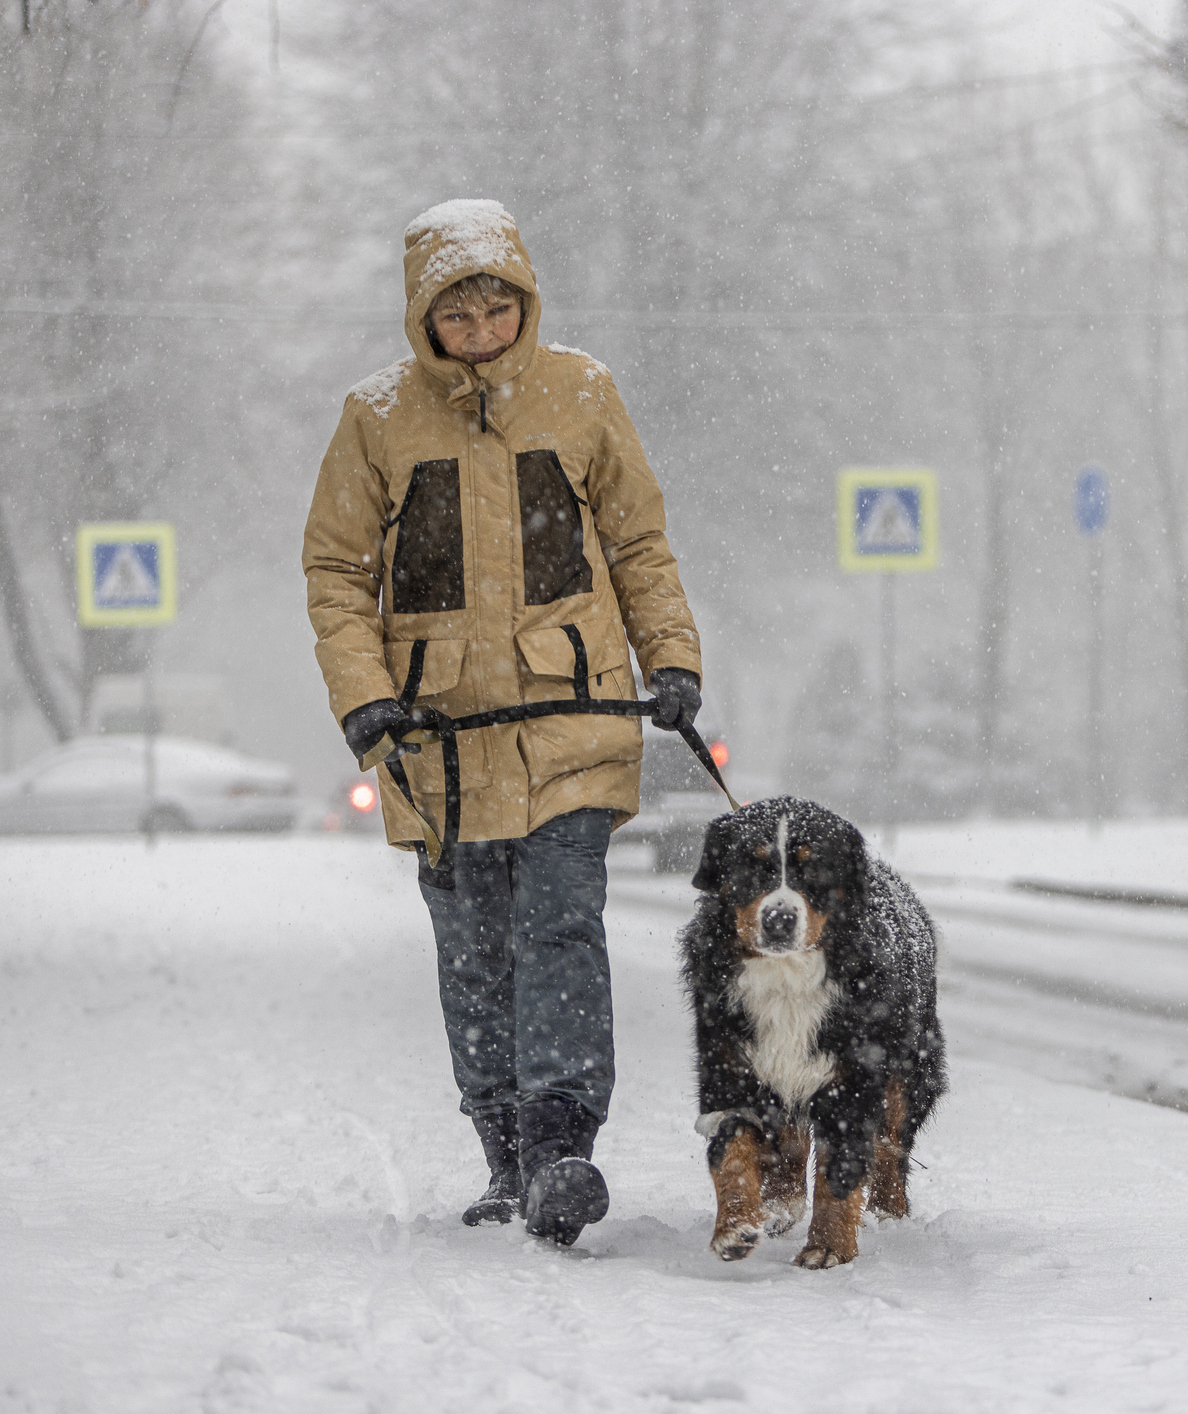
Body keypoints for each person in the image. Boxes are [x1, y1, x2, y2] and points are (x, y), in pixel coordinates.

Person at [303, 200, 704, 1244]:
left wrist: (670, 660)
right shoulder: (377, 417)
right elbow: (337, 570)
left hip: (574, 721)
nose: (481, 329)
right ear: (423, 318)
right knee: (477, 952)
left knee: (559, 929)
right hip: (438, 740)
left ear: (524, 300)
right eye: (458, 313)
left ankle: (561, 1144)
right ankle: (503, 1152)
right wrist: (364, 696)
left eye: (497, 307)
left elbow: (638, 543)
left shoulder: (581, 392)